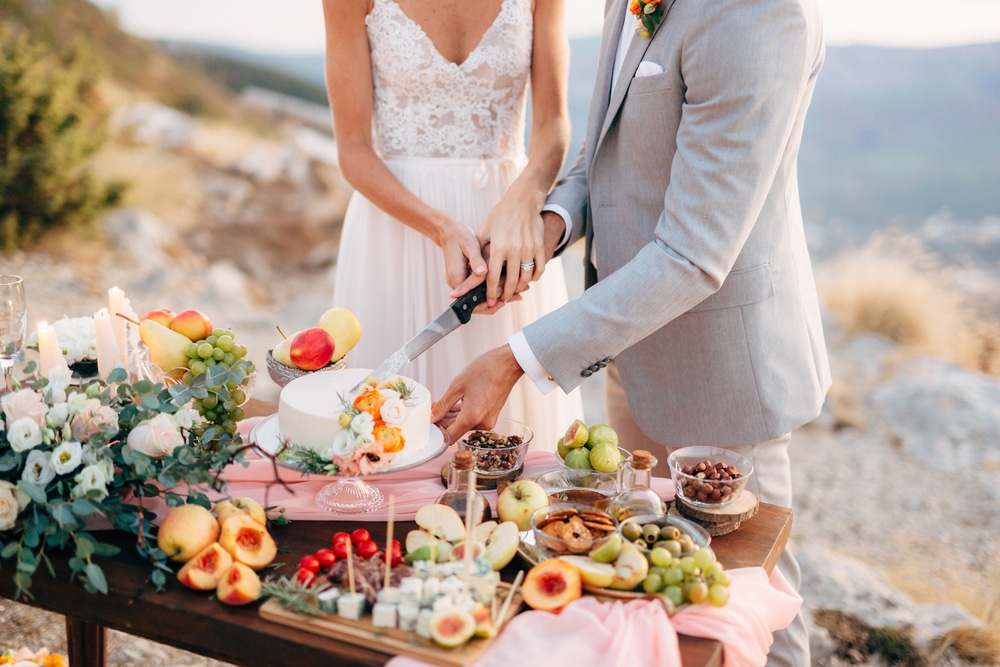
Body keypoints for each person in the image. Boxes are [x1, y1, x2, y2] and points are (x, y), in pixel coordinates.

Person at [433, 0, 831, 664]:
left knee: (752, 606)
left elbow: (694, 253)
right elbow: (608, 154)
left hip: (722, 369)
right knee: (653, 586)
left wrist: (516, 358)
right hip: (630, 347)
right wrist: (546, 230)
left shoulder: (762, 14)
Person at [321, 0, 584, 450]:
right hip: (397, 227)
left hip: (509, 227)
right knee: (381, 437)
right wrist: (440, 226)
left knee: (513, 440)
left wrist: (524, 199)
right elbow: (353, 149)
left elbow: (553, 122)